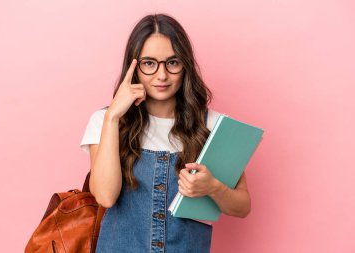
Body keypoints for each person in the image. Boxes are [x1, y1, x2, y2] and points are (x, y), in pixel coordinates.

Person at [80, 13, 251, 253]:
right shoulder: (105, 121)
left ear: (185, 65)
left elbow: (243, 207)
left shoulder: (213, 126)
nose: (162, 76)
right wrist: (113, 118)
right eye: (149, 63)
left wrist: (213, 188)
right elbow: (105, 197)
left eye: (172, 62)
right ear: (134, 67)